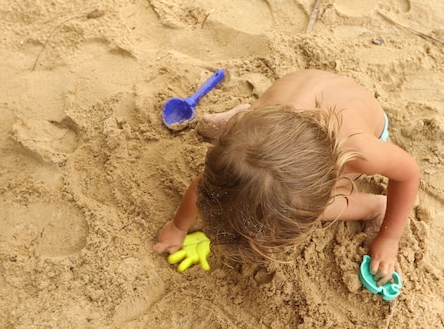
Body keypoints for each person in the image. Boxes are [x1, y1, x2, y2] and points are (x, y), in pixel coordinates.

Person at [154, 69, 420, 285]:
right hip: (273, 115)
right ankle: (240, 117)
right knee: (241, 163)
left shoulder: (361, 150)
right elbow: (204, 185)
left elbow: (408, 173)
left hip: (362, 121)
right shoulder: (239, 152)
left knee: (322, 207)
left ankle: (374, 206)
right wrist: (178, 227)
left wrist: (389, 237)